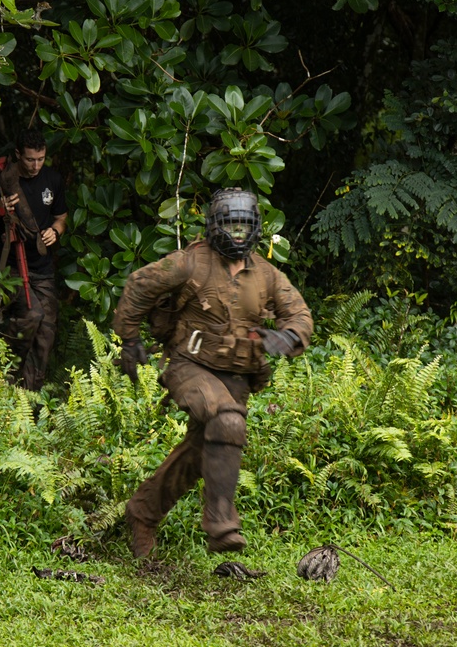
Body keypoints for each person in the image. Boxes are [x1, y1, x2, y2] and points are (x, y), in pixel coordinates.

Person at [112, 188, 313, 557]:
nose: (237, 234)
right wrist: (129, 340)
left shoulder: (266, 273)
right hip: (189, 365)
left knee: (199, 451)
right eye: (230, 225)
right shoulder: (191, 263)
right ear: (214, 226)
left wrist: (287, 335)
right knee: (229, 423)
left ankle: (141, 514)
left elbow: (300, 314)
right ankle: (221, 523)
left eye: (244, 226)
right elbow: (138, 285)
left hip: (237, 376)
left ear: (255, 229)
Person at [0, 128, 68, 391]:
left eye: (41, 159)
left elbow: (62, 217)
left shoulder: (53, 179)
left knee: (46, 333)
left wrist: (56, 231)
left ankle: (29, 398)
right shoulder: (2, 180)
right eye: (30, 159)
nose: (36, 165)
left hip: (43, 269)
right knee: (31, 316)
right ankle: (4, 377)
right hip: (11, 268)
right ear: (18, 155)